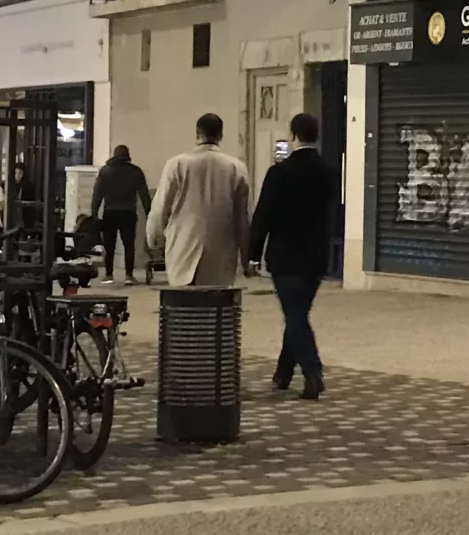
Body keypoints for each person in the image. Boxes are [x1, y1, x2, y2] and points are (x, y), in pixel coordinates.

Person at [246, 111, 338, 398]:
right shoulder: (328, 173)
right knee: (297, 313)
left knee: (295, 315)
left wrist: (252, 254)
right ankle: (283, 373)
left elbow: (263, 216)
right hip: (316, 256)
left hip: (285, 256)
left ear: (293, 136)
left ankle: (313, 372)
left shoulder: (278, 173)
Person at [147, 113, 251, 289]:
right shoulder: (236, 167)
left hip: (182, 248)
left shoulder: (176, 164)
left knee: (184, 301)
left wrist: (153, 237)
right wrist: (247, 256)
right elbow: (243, 218)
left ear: (197, 134)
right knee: (216, 302)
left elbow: (161, 207)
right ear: (220, 135)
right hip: (220, 254)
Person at [90, 144, 151, 282]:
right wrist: (149, 212)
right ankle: (129, 275)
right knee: (129, 245)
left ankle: (108, 274)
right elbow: (144, 194)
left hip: (109, 212)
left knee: (109, 246)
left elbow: (97, 193)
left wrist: (94, 211)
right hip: (128, 212)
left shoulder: (105, 171)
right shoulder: (135, 171)